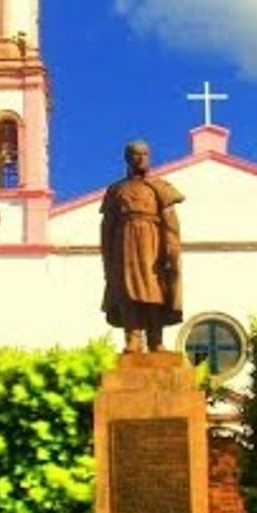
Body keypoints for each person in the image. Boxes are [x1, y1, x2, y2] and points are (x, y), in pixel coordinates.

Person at [100, 140, 184, 353]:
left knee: (154, 289)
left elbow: (171, 222)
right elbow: (107, 225)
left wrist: (171, 251)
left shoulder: (160, 188)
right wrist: (108, 256)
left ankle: (156, 339)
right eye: (136, 154)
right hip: (125, 245)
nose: (140, 158)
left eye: (144, 154)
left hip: (153, 244)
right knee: (127, 291)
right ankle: (133, 338)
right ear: (128, 159)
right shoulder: (117, 190)